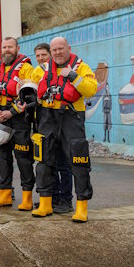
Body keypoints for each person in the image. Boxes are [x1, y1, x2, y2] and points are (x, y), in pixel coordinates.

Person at [31, 37, 97, 223]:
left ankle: (82, 206)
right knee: (44, 160)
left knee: (79, 161)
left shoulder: (81, 67)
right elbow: (30, 84)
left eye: (61, 48)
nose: (58, 52)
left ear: (68, 48)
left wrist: (73, 77)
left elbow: (91, 89)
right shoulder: (43, 69)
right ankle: (45, 204)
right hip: (47, 117)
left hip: (71, 117)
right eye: (54, 49)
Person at [0, 37, 36, 210]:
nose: (7, 50)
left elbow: (30, 96)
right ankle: (4, 195)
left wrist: (11, 112)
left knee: (23, 160)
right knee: (2, 158)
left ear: (17, 48)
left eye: (10, 47)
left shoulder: (27, 69)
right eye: (4, 47)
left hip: (19, 120)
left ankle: (27, 198)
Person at [33, 42, 73, 213]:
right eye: (38, 55)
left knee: (63, 163)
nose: (41, 58)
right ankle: (52, 198)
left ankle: (65, 200)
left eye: (44, 55)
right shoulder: (37, 72)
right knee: (48, 162)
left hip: (63, 119)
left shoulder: (67, 68)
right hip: (44, 120)